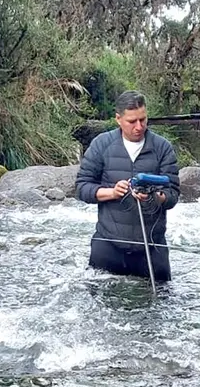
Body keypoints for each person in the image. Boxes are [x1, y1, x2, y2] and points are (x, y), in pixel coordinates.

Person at [75, 91, 180, 281]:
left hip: (152, 248)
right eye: (132, 121)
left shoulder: (162, 147)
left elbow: (172, 194)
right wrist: (112, 192)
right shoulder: (101, 145)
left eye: (143, 119)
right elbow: (82, 187)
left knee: (159, 308)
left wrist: (153, 197)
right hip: (108, 246)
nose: (139, 127)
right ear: (118, 119)